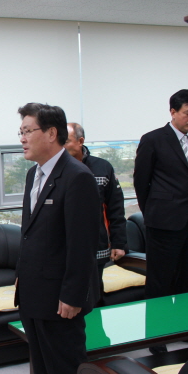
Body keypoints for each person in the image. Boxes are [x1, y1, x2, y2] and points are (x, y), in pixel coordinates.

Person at [14, 103, 100, 374]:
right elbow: (31, 235)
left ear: (51, 133)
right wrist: (21, 277)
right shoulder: (32, 175)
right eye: (20, 131)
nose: (22, 138)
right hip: (33, 293)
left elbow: (82, 244)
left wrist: (73, 295)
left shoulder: (78, 177)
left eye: (28, 131)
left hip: (61, 301)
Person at [134, 89, 188, 299]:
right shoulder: (153, 139)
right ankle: (159, 321)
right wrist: (151, 214)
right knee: (160, 281)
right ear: (173, 112)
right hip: (163, 223)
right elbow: (141, 182)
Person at [64, 122, 127, 299]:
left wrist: (119, 243)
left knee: (93, 295)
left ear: (80, 141)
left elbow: (115, 208)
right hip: (64, 248)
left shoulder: (102, 167)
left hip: (96, 246)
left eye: (66, 141)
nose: (61, 146)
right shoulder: (55, 169)